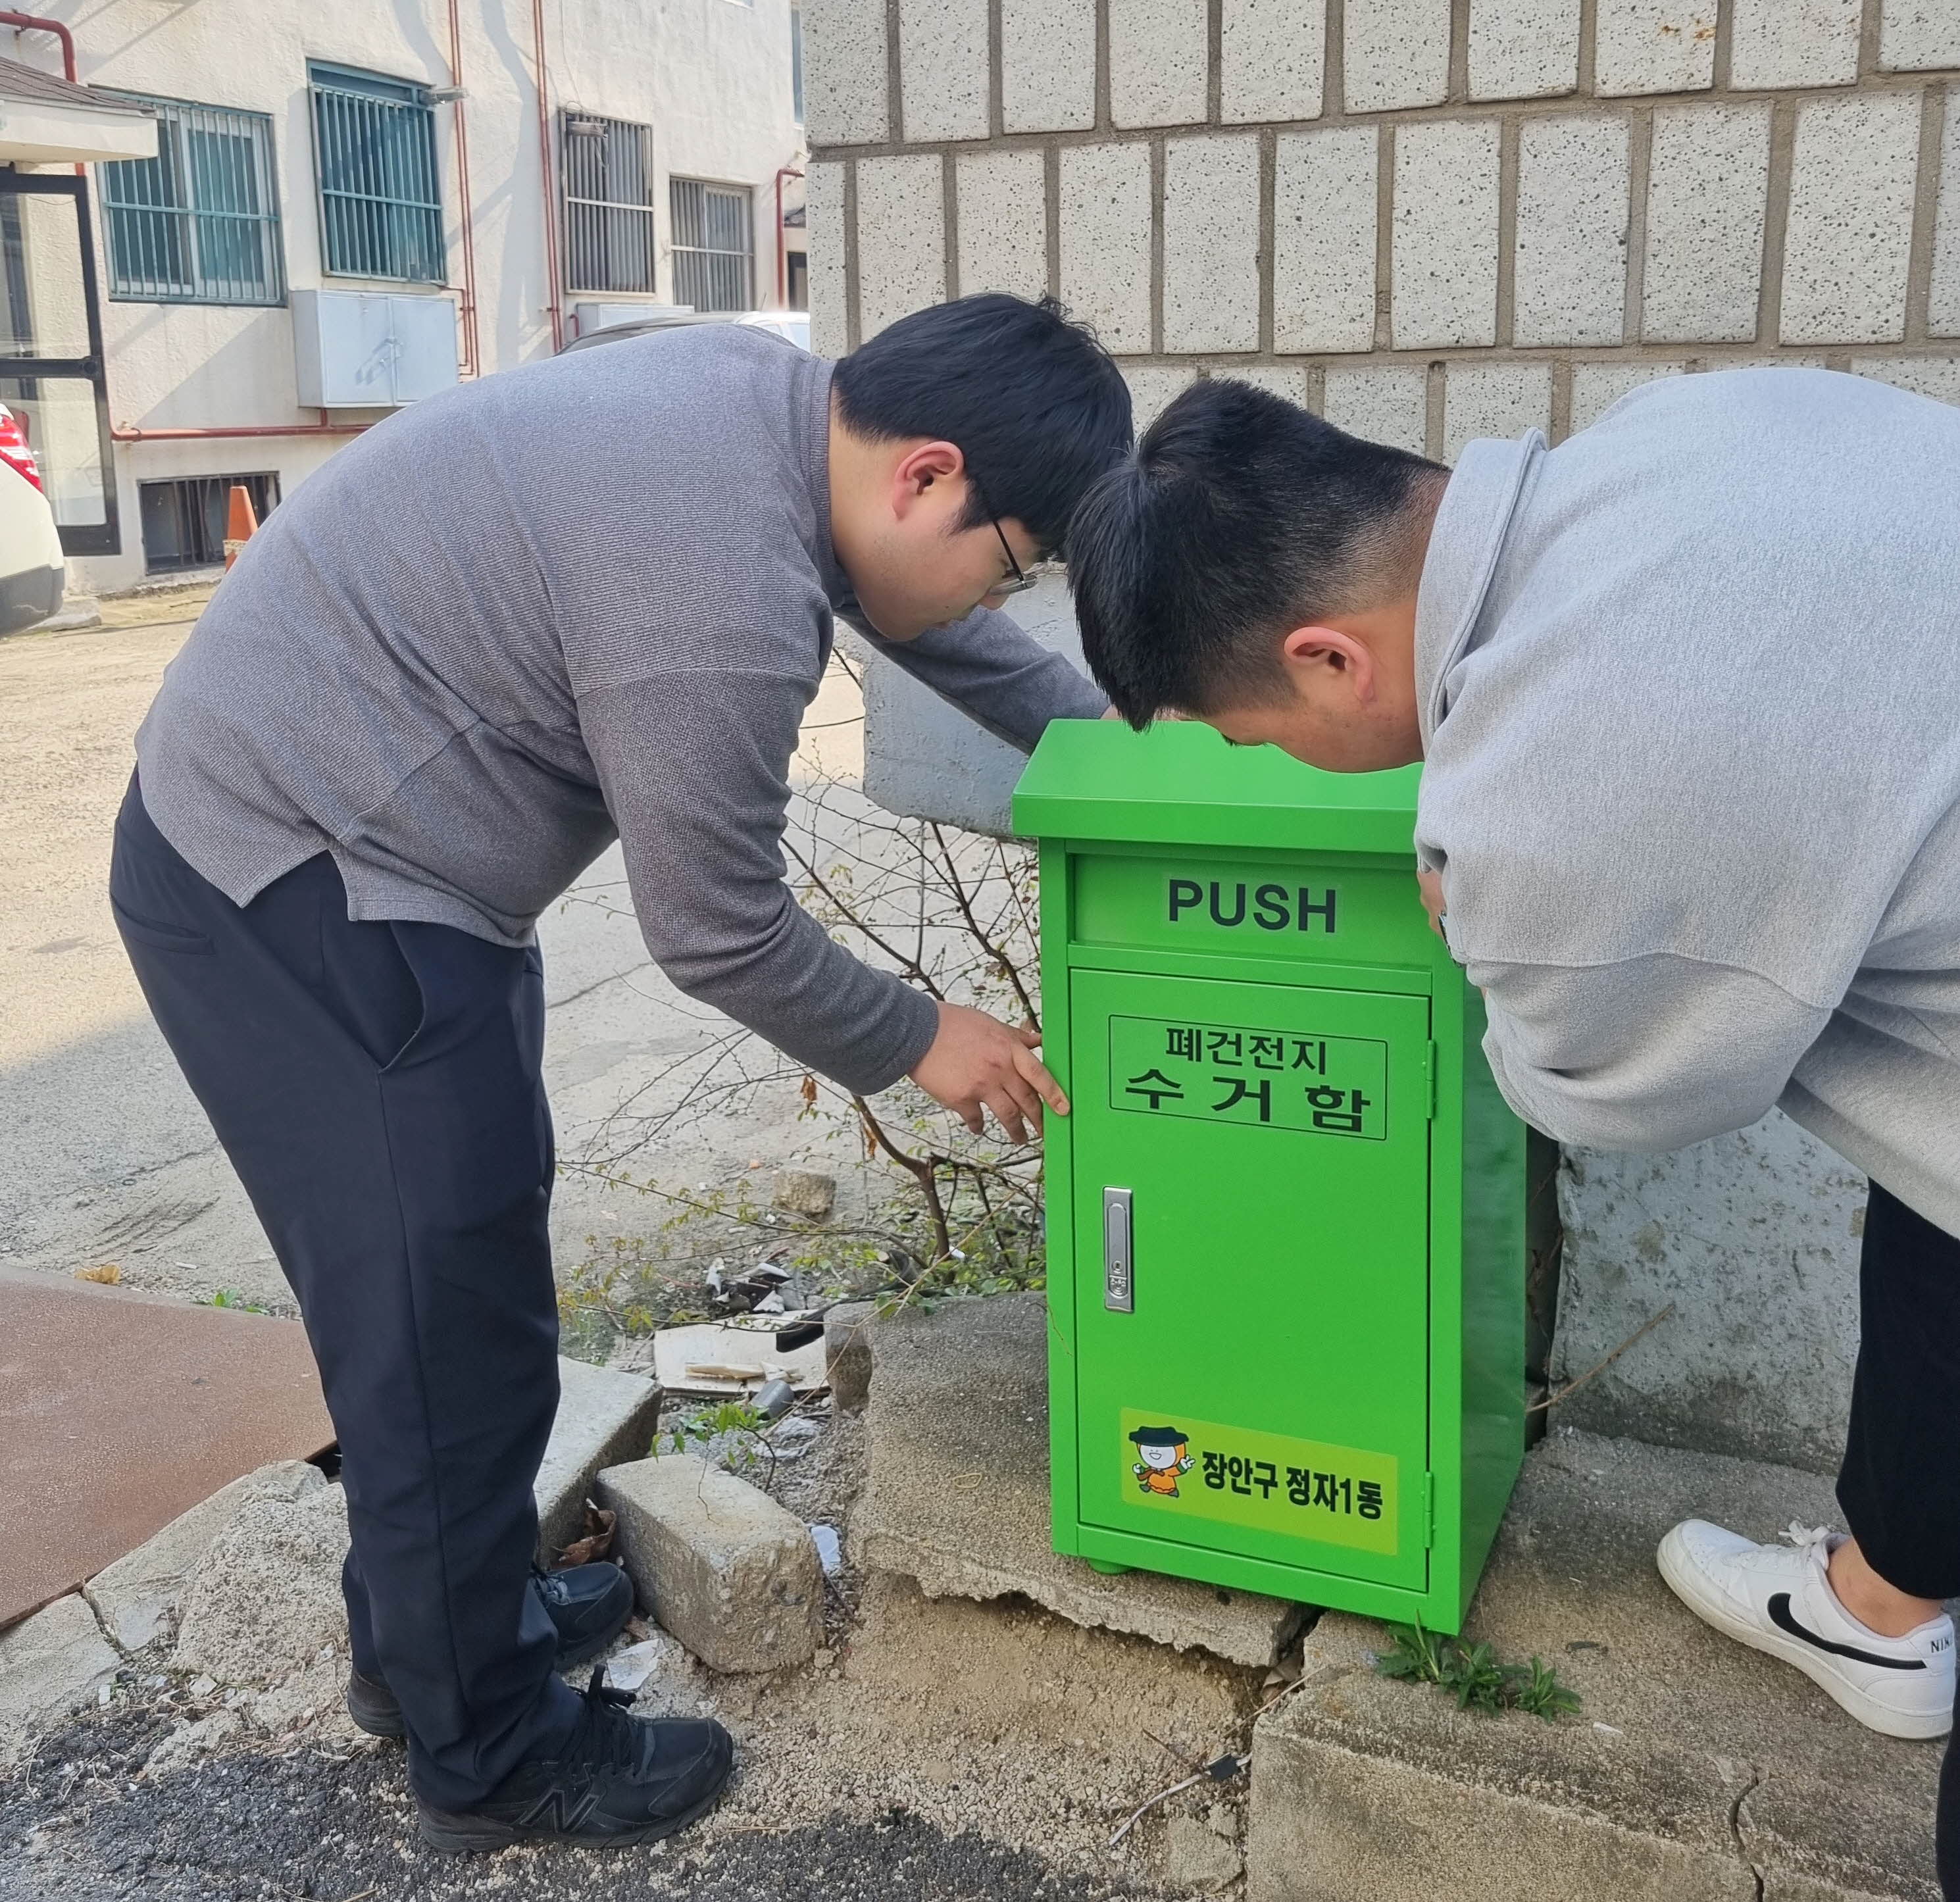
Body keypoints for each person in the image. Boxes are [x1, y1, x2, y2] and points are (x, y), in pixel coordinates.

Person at [111, 293, 1128, 1851]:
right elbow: (716, 933)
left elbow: (946, 632)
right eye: (1005, 561)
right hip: (297, 878)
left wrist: (1140, 752)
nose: (990, 600)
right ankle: (488, 1756)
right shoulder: (719, 583)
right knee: (441, 1331)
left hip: (366, 853)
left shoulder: (769, 407)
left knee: (458, 1294)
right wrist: (927, 1038)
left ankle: (430, 1645)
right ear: (926, 475)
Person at [1064, 367, 1960, 1888]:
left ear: (1329, 659)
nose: (1275, 768)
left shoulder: (1557, 782)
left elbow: (1601, 1095)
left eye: (1257, 737)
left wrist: (1476, 916)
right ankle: (1884, 1608)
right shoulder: (1685, 429)